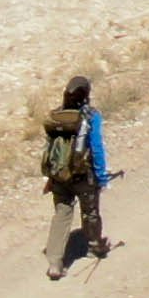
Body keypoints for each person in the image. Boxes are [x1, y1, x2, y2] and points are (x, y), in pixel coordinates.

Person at [42, 73, 108, 277]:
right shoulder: (91, 116)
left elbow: (49, 147)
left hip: (59, 176)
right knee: (90, 212)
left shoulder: (56, 116)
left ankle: (55, 263)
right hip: (82, 175)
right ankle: (95, 246)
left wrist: (51, 178)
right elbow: (96, 147)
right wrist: (101, 176)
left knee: (62, 214)